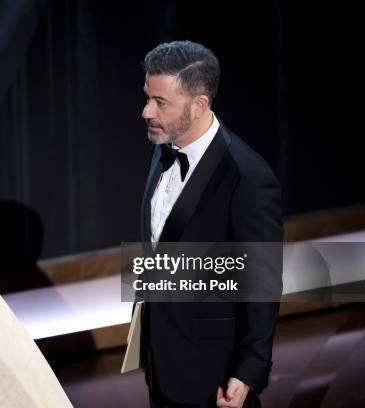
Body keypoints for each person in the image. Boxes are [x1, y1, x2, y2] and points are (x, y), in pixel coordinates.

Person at [138, 41, 282, 407]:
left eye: (160, 102)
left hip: (213, 378)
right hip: (162, 364)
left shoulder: (246, 176)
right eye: (147, 97)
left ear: (199, 104)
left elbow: (261, 282)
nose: (145, 111)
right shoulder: (162, 146)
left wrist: (250, 370)